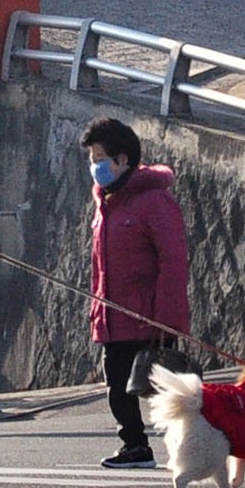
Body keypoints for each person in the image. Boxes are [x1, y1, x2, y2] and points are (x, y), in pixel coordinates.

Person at [84, 117, 189, 469]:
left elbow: (173, 260)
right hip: (112, 318)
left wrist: (168, 318)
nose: (94, 166)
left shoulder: (154, 201)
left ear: (122, 159)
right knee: (117, 387)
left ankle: (195, 444)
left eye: (100, 157)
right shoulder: (105, 205)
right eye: (92, 158)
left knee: (169, 392)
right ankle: (134, 445)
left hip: (148, 318)